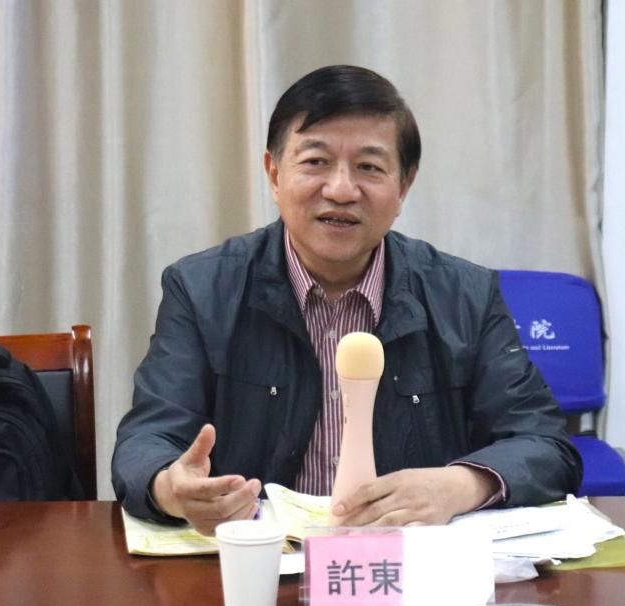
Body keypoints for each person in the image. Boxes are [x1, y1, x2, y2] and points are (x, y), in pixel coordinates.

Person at [112, 65, 581, 535]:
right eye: (315, 162)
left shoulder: (465, 296)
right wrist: (170, 487)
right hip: (261, 562)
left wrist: (461, 485)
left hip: (408, 563)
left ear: (403, 187)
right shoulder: (202, 289)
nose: (340, 190)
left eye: (369, 167)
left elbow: (544, 444)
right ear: (274, 174)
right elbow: (146, 441)